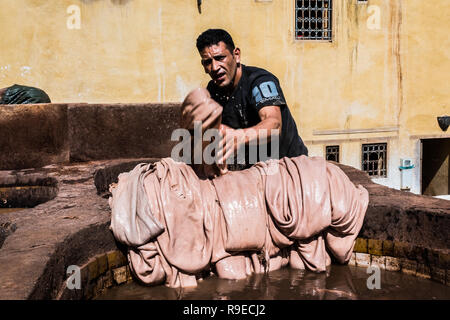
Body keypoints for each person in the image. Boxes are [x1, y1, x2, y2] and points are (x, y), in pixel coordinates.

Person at [192, 28, 308, 169]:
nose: (215, 67)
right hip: (251, 173)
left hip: (288, 168)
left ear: (237, 55)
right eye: (208, 62)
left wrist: (239, 136)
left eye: (220, 58)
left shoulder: (260, 81)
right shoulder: (212, 91)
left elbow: (274, 124)